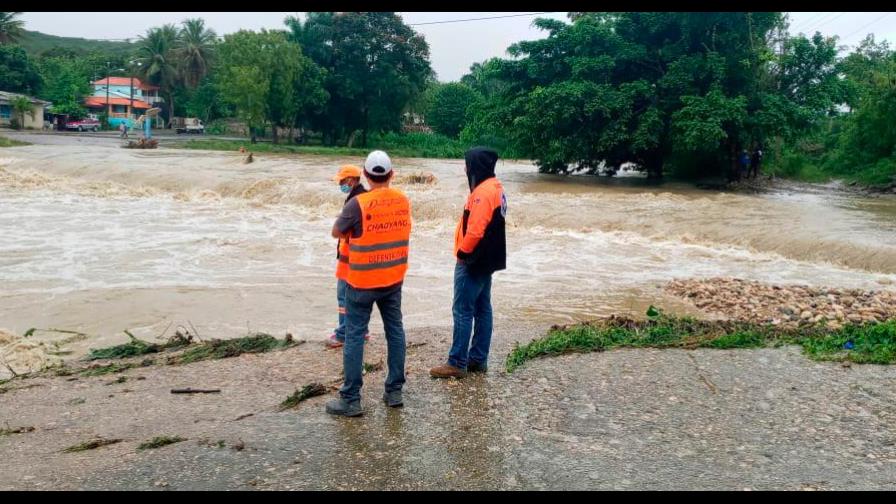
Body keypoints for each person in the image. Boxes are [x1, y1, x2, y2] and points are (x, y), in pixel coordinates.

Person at [325, 150, 412, 417]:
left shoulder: (357, 204)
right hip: (393, 279)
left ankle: (351, 399)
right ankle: (394, 392)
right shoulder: (402, 200)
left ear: (364, 175)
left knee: (354, 336)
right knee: (395, 331)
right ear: (392, 175)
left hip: (361, 282)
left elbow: (336, 232)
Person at [430, 147, 507, 379]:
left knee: (462, 310)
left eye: (467, 164)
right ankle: (478, 359)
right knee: (483, 308)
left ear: (476, 166)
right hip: (488, 260)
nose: (465, 168)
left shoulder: (482, 193)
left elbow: (475, 230)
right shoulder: (497, 187)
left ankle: (457, 362)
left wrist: (463, 253)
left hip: (473, 261)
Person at [326, 164, 370, 349]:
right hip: (360, 257)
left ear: (351, 180)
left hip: (351, 258)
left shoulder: (355, 200)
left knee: (344, 296)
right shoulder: (364, 197)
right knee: (356, 296)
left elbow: (339, 231)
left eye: (342, 181)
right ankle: (362, 330)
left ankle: (343, 333)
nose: (340, 185)